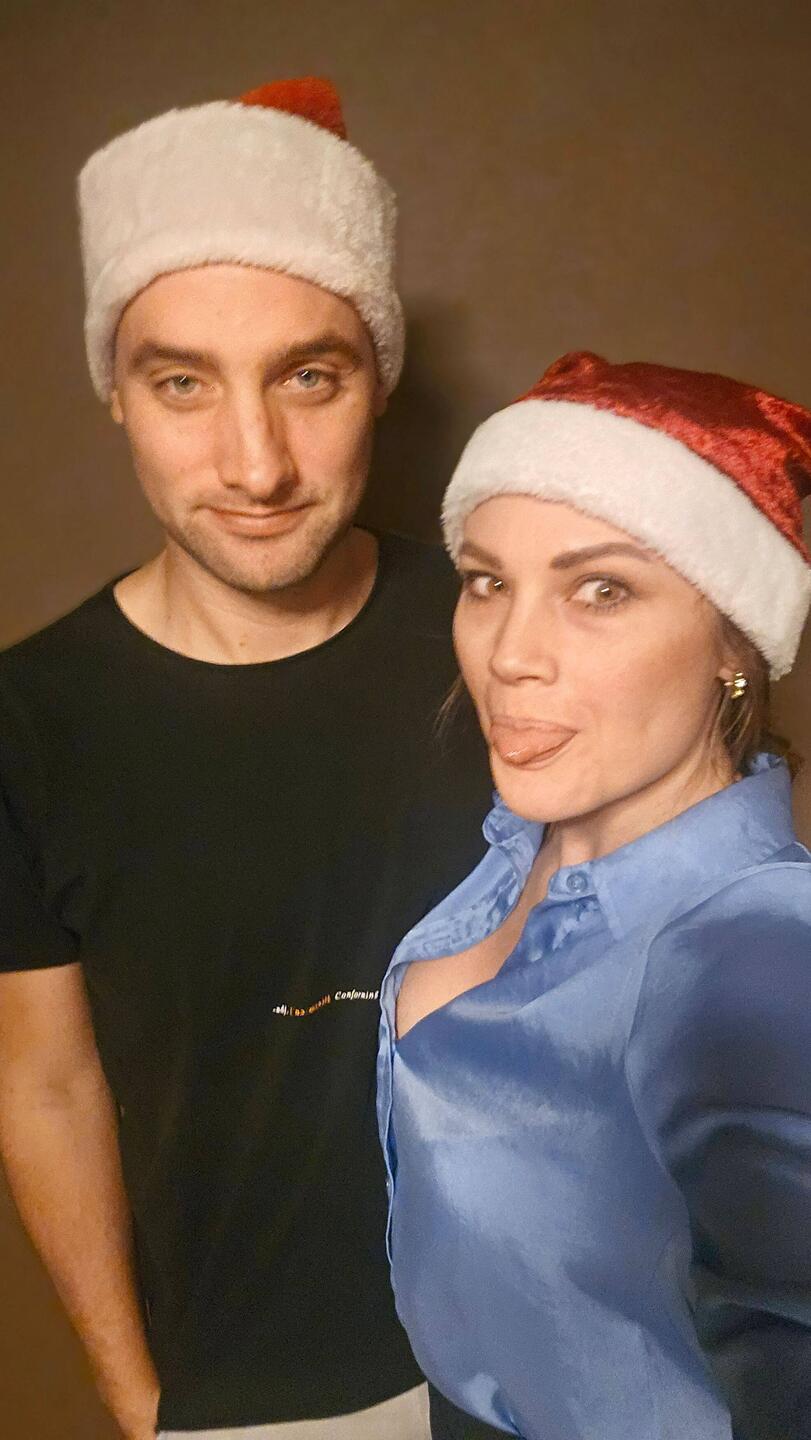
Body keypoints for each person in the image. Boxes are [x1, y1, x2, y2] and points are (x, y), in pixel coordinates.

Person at [0, 77, 492, 1440]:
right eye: (182, 384)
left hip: (546, 1349)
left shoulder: (501, 631)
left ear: (376, 377)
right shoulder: (25, 722)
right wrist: (139, 1402)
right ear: (115, 393)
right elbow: (44, 1082)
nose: (257, 464)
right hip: (246, 1397)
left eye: (307, 377)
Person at [377, 350, 811, 1439]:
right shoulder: (517, 844)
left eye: (600, 590)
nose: (509, 655)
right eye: (487, 582)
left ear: (734, 643)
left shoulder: (755, 955)